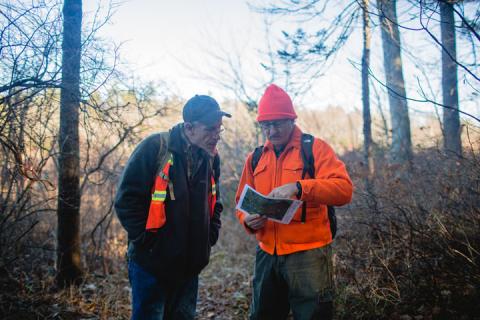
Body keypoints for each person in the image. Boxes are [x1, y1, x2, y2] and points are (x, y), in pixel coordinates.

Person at [235, 84, 353, 320]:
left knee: (313, 316)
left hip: (308, 254)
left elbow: (344, 190)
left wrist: (300, 187)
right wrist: (247, 221)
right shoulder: (255, 157)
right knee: (262, 315)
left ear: (292, 120)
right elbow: (241, 201)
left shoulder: (315, 149)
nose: (272, 131)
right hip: (267, 254)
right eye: (266, 125)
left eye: (277, 123)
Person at [115, 95, 230, 320]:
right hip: (151, 266)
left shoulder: (211, 157)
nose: (216, 135)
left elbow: (216, 202)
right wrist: (148, 242)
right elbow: (126, 201)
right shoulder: (154, 147)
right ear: (189, 127)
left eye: (219, 129)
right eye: (210, 129)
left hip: (189, 268)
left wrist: (210, 235)